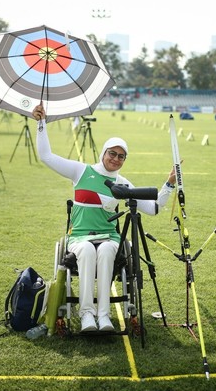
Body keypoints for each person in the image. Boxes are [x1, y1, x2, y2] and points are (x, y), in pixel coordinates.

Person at [33, 104, 177, 333]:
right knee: (89, 251)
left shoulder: (123, 183)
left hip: (109, 237)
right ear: (104, 152)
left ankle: (104, 315)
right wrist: (41, 123)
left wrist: (169, 184)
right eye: (112, 153)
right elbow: (46, 156)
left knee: (108, 250)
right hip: (79, 237)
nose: (116, 159)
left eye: (121, 156)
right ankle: (87, 314)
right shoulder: (81, 171)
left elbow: (153, 208)